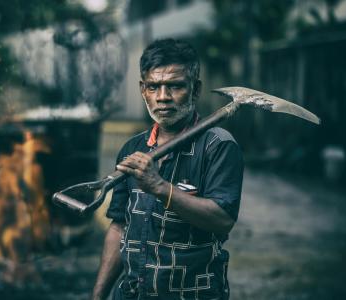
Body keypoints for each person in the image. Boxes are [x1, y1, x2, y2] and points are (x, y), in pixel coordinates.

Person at [92, 38, 244, 300]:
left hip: (192, 294)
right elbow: (119, 227)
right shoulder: (133, 148)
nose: (163, 97)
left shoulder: (218, 146)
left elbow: (223, 221)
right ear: (143, 90)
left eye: (175, 86)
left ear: (195, 90)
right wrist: (98, 295)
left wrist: (160, 188)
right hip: (132, 293)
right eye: (154, 87)